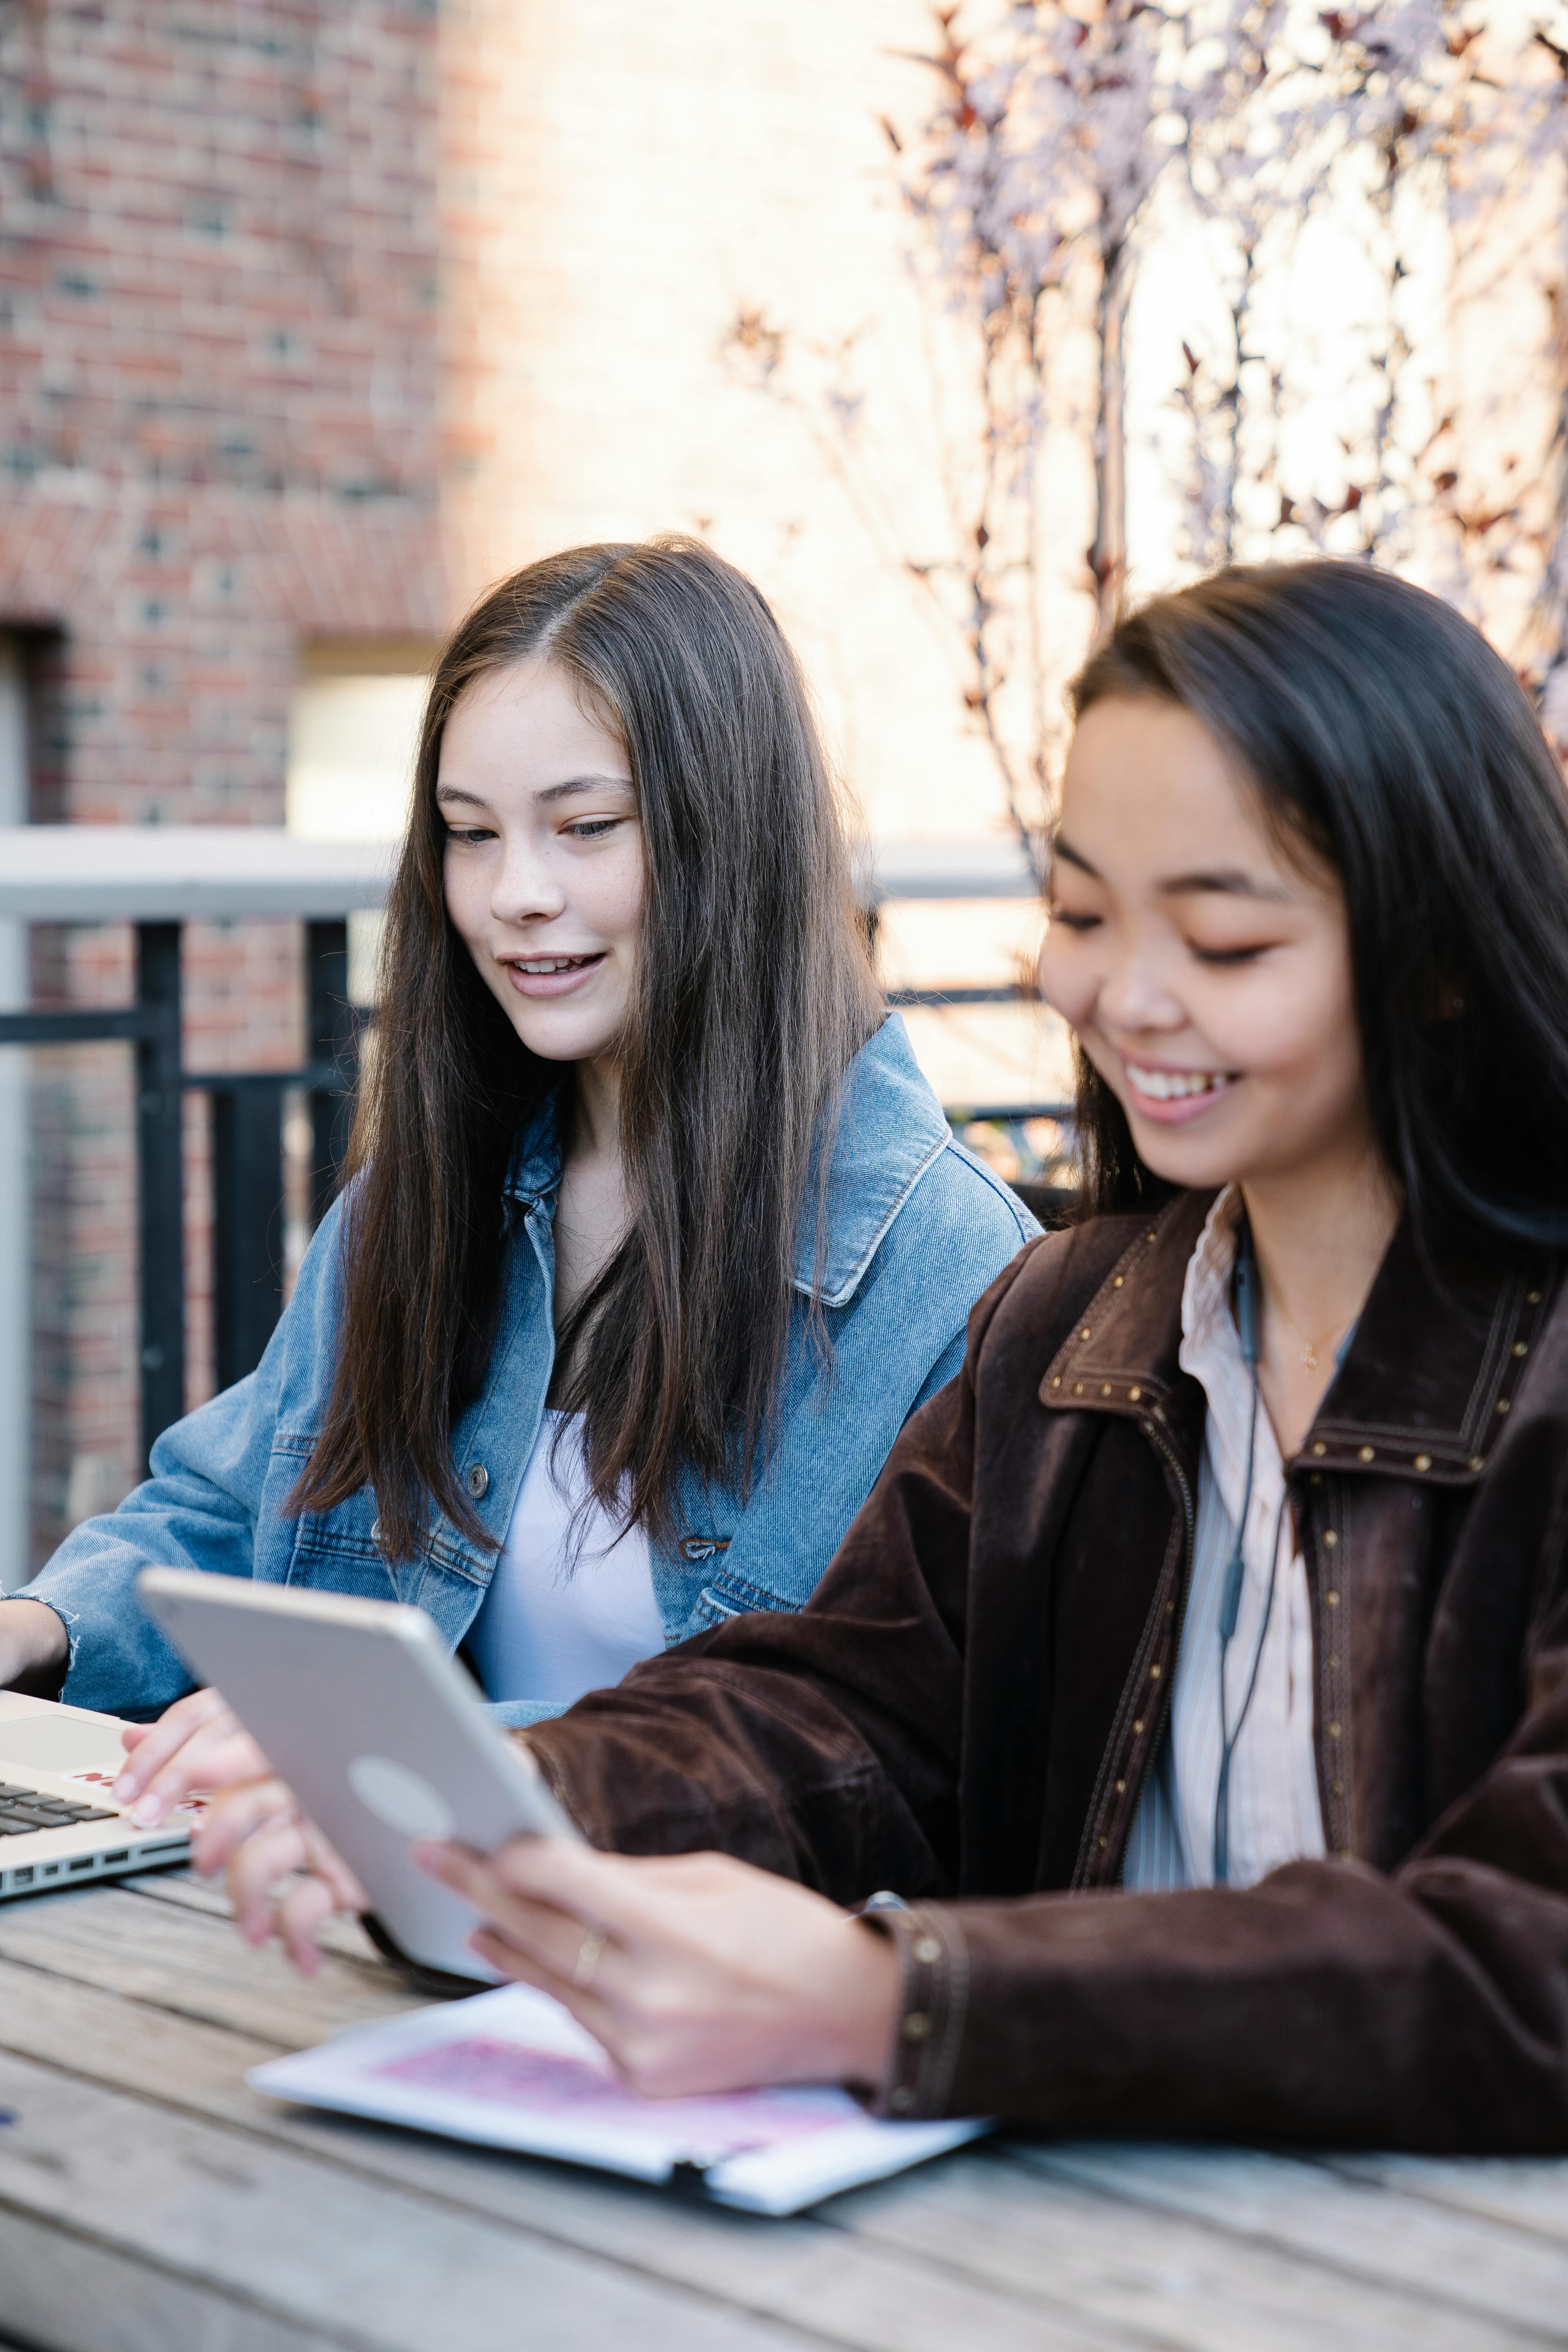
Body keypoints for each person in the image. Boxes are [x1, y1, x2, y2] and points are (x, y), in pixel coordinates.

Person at [209, 555, 1568, 2151]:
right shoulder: (1072, 1330)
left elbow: (1523, 1960)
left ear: (1440, 953)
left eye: (1221, 941)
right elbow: (845, 1712)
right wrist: (496, 1810)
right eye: (1075, 915)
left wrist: (898, 1999)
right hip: (1065, 2225)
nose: (1119, 999)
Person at [0, 538, 1036, 1828]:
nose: (513, 898)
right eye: (468, 836)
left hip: (695, 1974)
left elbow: (869, 1742)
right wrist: (37, 1628)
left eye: (585, 828)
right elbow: (231, 1500)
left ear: (735, 835)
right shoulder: (422, 1201)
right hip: (366, 1923)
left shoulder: (947, 1271)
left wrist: (385, 1743)